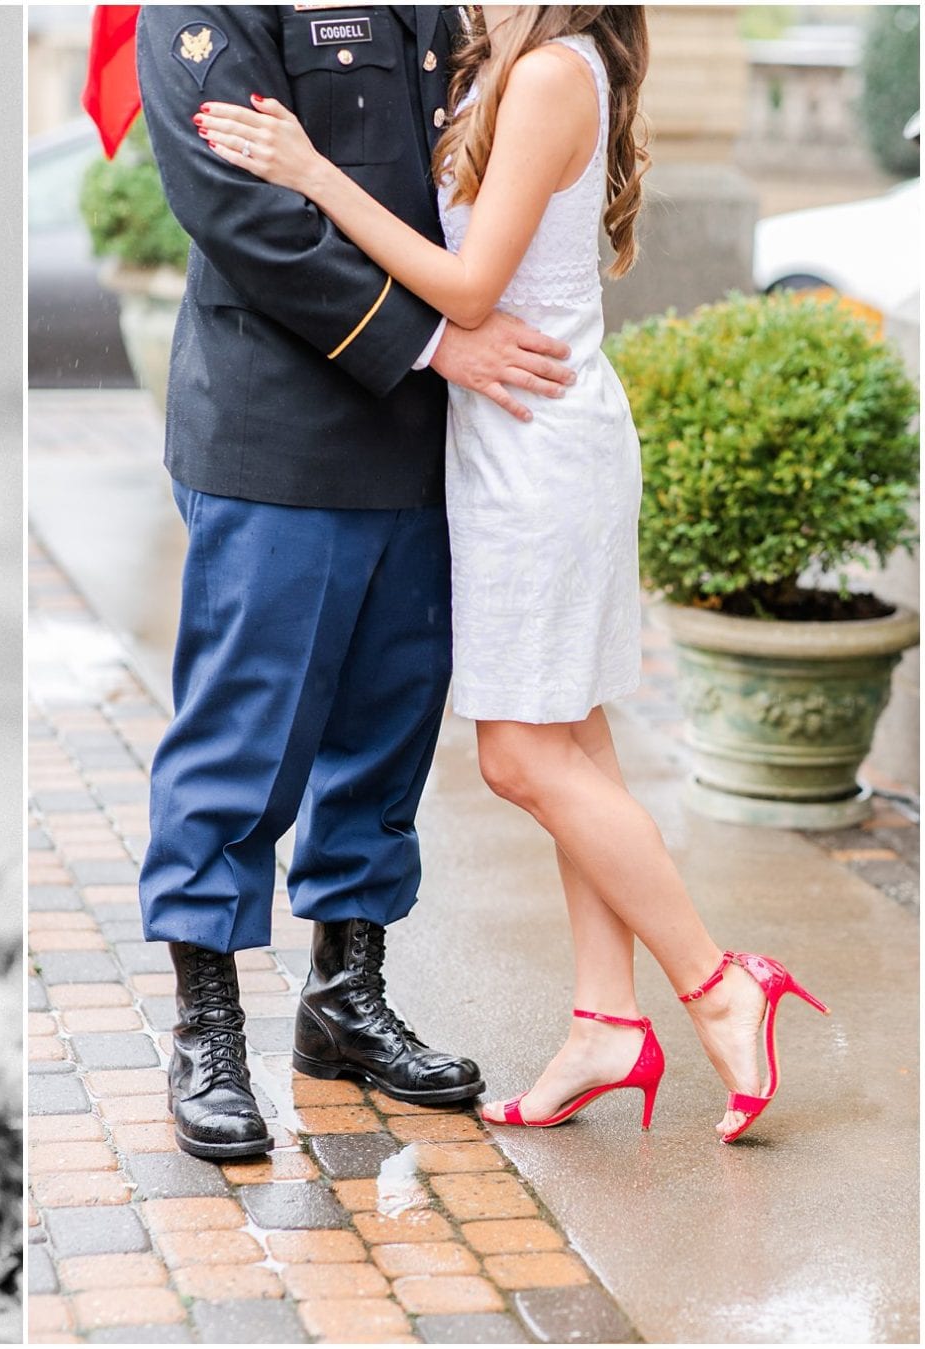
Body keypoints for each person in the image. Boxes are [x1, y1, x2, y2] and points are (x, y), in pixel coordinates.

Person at [197, 4, 827, 1142]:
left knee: (522, 754)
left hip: (536, 444)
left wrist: (310, 170)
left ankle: (720, 983)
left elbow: (473, 290)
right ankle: (602, 1022)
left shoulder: (543, 78)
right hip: (519, 435)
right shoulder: (511, 63)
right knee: (574, 739)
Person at [133, 5, 579, 1161]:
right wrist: (433, 343)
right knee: (246, 735)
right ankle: (206, 1025)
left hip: (424, 434)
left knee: (387, 725)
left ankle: (344, 996)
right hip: (278, 431)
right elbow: (241, 209)